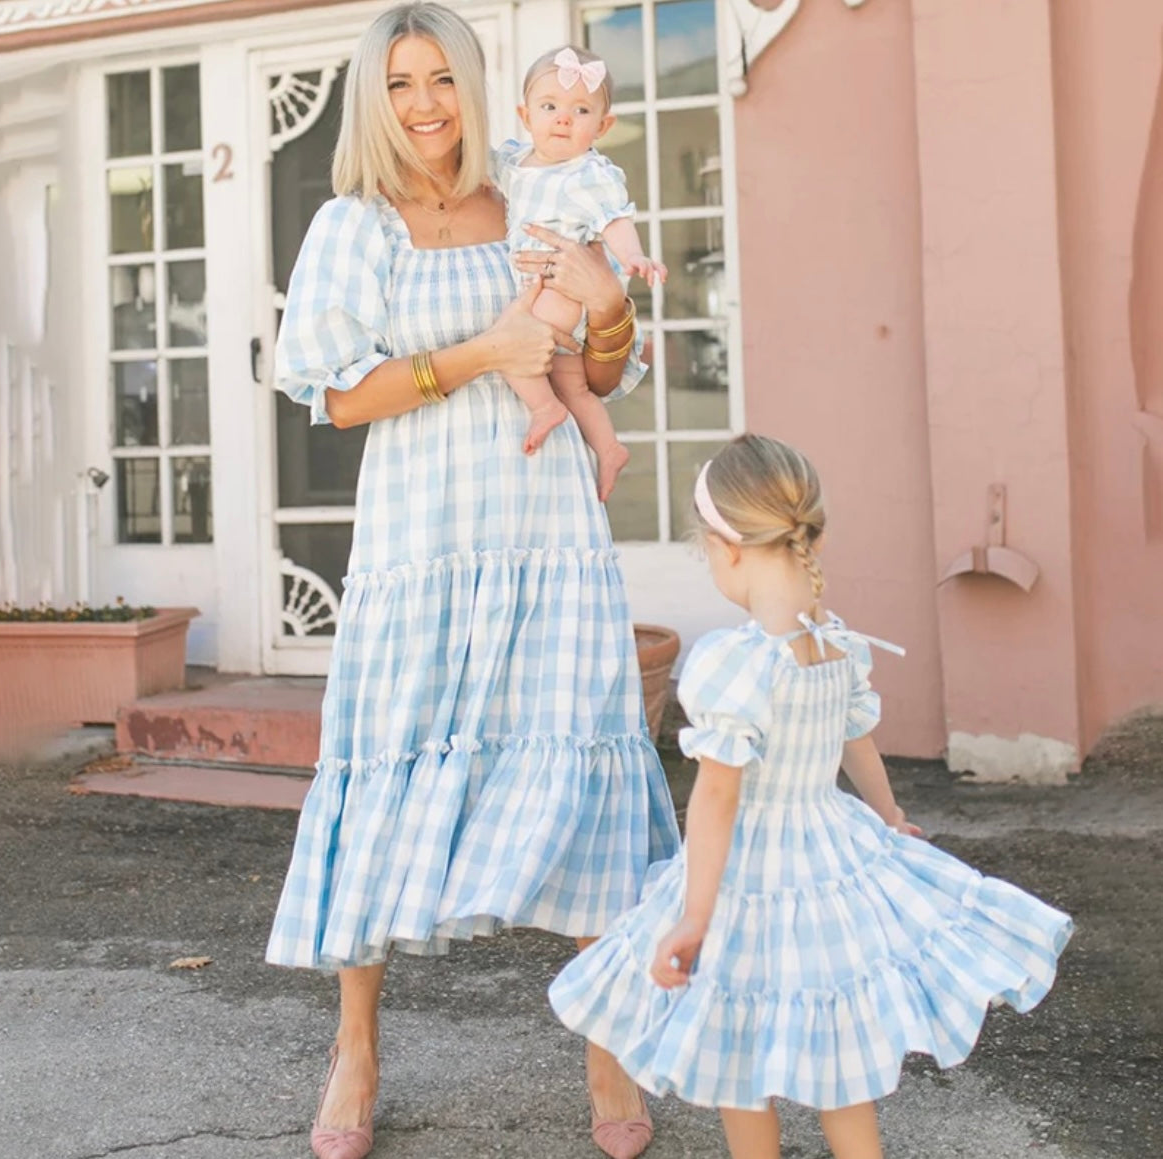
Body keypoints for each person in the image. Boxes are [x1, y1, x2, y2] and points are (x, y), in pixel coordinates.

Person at [263, 6, 680, 1159]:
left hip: (548, 538)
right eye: (401, 83)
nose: (427, 104)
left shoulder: (535, 184)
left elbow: (608, 367)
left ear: (478, 83)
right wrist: (475, 360)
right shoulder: (355, 224)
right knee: (387, 762)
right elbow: (338, 396)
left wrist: (606, 305)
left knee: (583, 761)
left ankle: (609, 1044)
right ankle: (355, 1047)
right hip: (421, 546)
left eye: (443, 77)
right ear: (373, 99)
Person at [549, 434, 1074, 1159]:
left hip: (747, 879)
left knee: (741, 1066)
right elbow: (855, 739)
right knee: (839, 1065)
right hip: (831, 855)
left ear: (726, 547)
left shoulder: (735, 662)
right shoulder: (833, 641)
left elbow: (716, 800)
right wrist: (888, 817)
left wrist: (694, 916)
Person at [494, 45, 666, 500]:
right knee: (574, 381)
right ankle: (608, 448)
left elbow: (615, 219)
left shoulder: (588, 173)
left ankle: (544, 407)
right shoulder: (515, 162)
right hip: (544, 283)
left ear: (603, 127)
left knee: (512, 348)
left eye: (581, 110)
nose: (563, 119)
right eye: (549, 107)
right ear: (525, 115)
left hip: (562, 285)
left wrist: (634, 256)